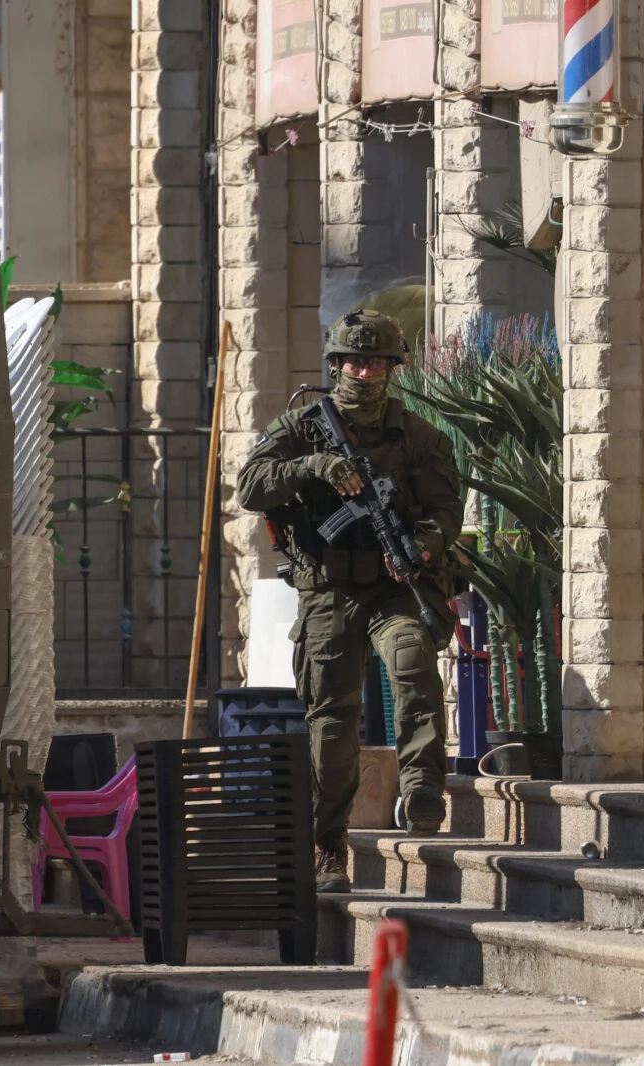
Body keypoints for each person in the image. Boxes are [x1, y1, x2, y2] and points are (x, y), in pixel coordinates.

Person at [234, 309, 461, 894]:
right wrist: (314, 467)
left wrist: (419, 545)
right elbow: (251, 486)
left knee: (412, 663)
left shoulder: (418, 435)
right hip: (329, 592)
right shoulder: (302, 427)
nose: (367, 372)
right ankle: (328, 846)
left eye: (379, 362)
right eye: (356, 361)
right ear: (336, 365)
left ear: (394, 368)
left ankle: (421, 790)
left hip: (390, 586)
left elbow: (445, 509)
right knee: (333, 728)